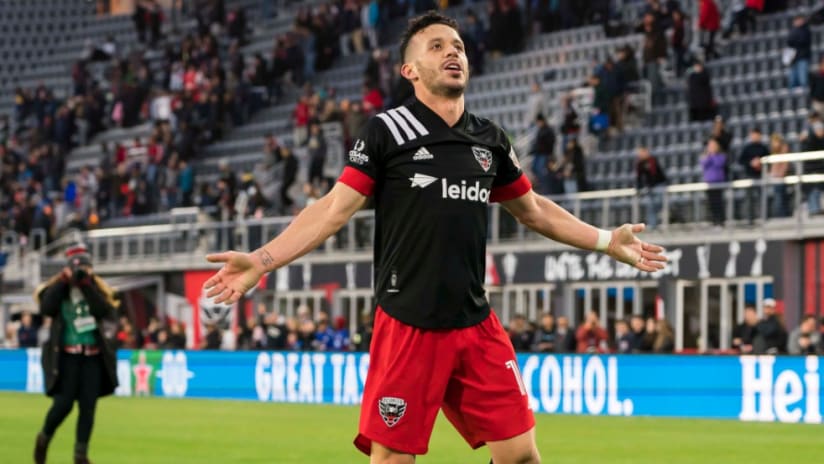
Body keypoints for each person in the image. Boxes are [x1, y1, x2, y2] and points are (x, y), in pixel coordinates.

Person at [202, 12, 666, 464]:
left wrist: (606, 240)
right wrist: (262, 260)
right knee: (392, 458)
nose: (452, 53)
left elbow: (535, 210)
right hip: (408, 323)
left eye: (458, 47)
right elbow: (331, 208)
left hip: (475, 322)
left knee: (521, 454)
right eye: (437, 46)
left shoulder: (490, 139)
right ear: (410, 70)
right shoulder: (387, 130)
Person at [33, 244, 119, 464]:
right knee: (63, 404)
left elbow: (103, 311)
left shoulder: (98, 290)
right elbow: (46, 308)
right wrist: (64, 281)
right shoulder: (58, 291)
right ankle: (44, 438)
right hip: (66, 357)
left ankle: (81, 455)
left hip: (92, 356)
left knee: (88, 407)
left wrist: (87, 285)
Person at [635, 146, 668, 229]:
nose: (640, 155)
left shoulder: (652, 160)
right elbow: (639, 177)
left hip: (659, 184)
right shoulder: (640, 164)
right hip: (650, 187)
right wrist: (638, 188)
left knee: (658, 203)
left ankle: (659, 219)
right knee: (650, 206)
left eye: (641, 153)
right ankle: (652, 226)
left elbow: (654, 174)